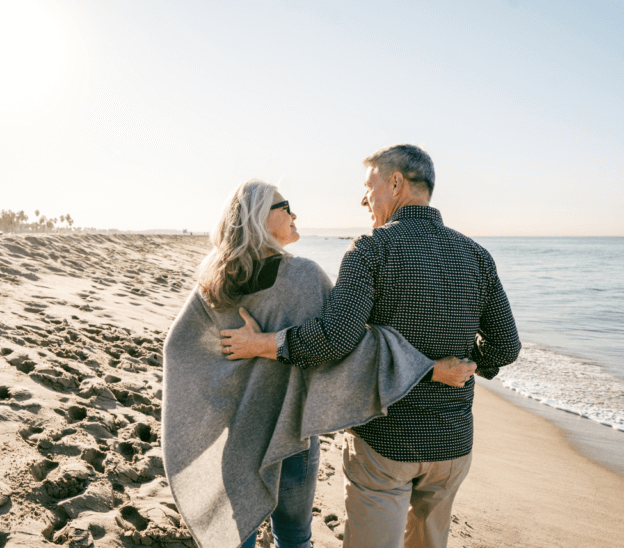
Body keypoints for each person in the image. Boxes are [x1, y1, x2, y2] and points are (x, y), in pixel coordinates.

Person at [220, 145, 521, 548]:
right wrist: (468, 364)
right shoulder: (477, 255)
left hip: (385, 442)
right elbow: (506, 346)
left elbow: (335, 338)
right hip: (452, 444)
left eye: (369, 185)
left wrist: (263, 344)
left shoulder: (372, 249)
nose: (364, 197)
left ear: (396, 183)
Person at [163, 179, 473, 548]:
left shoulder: (215, 278)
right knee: (294, 537)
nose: (294, 214)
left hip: (238, 431)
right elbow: (350, 345)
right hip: (291, 431)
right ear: (259, 217)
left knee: (237, 535)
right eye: (285, 206)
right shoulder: (303, 276)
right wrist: (431, 368)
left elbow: (179, 350)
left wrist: (224, 388)